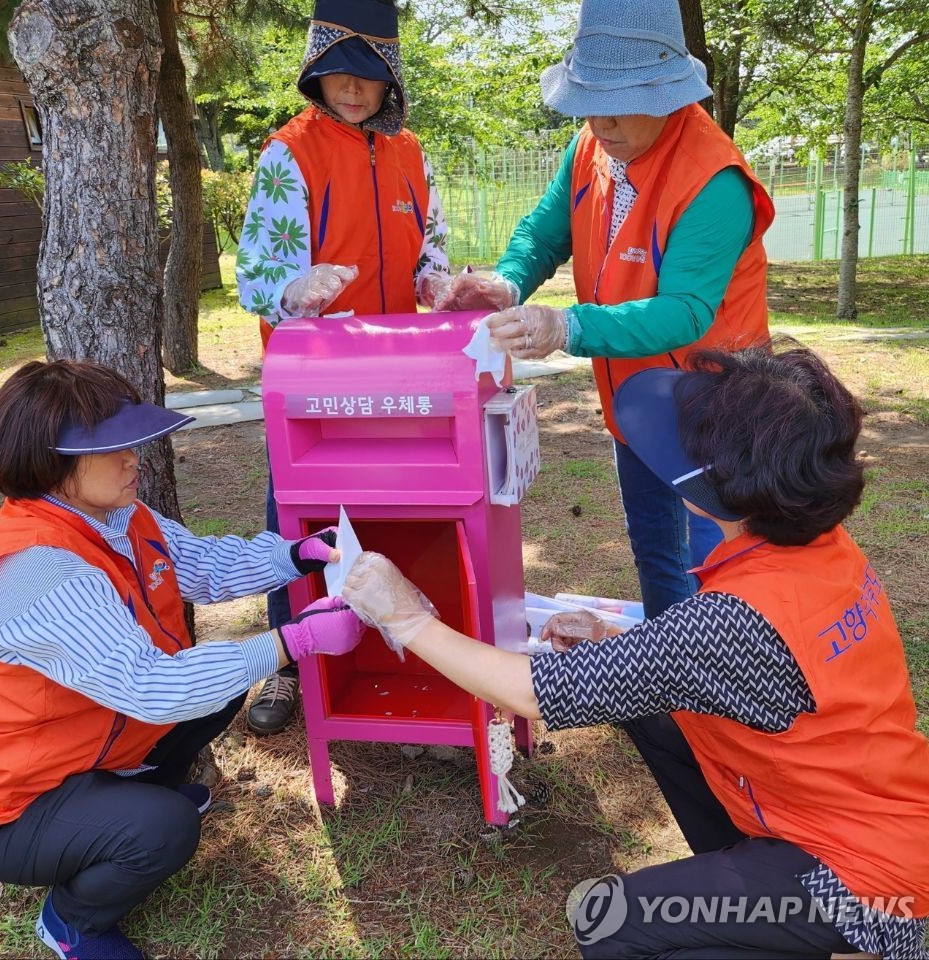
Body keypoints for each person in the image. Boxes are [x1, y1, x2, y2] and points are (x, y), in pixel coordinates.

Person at [344, 344, 929, 959]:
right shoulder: (825, 546)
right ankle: (753, 879)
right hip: (878, 814)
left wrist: (406, 619)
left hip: (867, 886)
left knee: (609, 923)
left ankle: (844, 946)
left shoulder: (734, 621)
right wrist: (609, 643)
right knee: (647, 706)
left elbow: (526, 692)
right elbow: (736, 668)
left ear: (724, 489)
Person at [0, 360, 365, 960]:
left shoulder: (121, 516)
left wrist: (296, 555)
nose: (134, 457)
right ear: (52, 461)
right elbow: (149, 686)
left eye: (133, 440)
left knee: (215, 692)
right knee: (167, 829)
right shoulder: (35, 570)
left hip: (89, 749)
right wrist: (291, 642)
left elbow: (204, 565)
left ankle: (131, 795)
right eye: (113, 447)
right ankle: (72, 920)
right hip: (14, 807)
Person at [438, 0, 775, 624]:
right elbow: (544, 233)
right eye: (588, 99)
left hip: (714, 405)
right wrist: (508, 285)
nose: (600, 119)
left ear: (666, 93)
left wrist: (568, 326)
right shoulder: (592, 144)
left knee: (720, 563)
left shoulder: (714, 179)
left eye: (619, 100)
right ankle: (669, 689)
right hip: (635, 398)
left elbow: (686, 312)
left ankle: (713, 705)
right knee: (655, 551)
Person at [236, 0, 453, 735]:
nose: (352, 90)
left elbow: (432, 245)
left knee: (392, 509)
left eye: (367, 76)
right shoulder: (288, 153)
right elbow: (256, 275)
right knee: (296, 520)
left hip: (395, 374)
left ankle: (394, 648)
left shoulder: (410, 154)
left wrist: (436, 283)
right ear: (315, 76)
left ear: (389, 80)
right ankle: (284, 668)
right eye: (337, 75)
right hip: (311, 381)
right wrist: (292, 292)